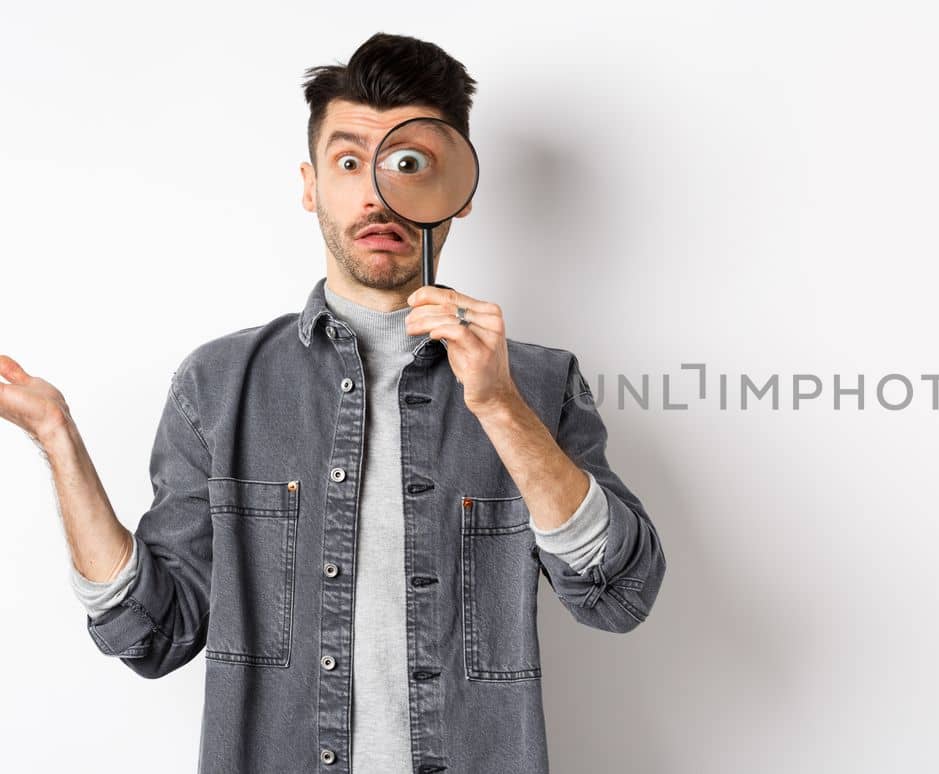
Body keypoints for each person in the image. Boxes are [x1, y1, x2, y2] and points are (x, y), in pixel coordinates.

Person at [0, 32, 666, 774]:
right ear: (311, 184)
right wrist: (56, 437)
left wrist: (501, 408)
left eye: (410, 164)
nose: (379, 193)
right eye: (351, 162)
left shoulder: (538, 384)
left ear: (461, 193)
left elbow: (621, 597)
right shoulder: (220, 386)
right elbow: (152, 636)